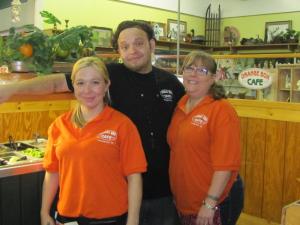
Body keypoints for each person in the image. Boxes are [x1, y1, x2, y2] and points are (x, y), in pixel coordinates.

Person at [0, 21, 243, 225]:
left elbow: (201, 108)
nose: (132, 50)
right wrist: (9, 91)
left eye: (138, 43)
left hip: (166, 194)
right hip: (124, 194)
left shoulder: (171, 83)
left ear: (152, 45)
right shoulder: (108, 75)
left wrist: (210, 198)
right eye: (124, 46)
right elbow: (54, 83)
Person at [40, 56, 147, 225]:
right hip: (67, 218)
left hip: (109, 219)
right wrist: (44, 212)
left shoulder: (123, 125)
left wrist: (133, 220)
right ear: (73, 86)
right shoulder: (59, 125)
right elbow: (52, 172)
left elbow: (134, 177)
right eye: (80, 83)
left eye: (95, 82)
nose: (87, 90)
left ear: (106, 86)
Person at [167, 51, 242, 225]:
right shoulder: (180, 106)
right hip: (184, 204)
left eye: (202, 71)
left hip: (211, 205)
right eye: (189, 68)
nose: (193, 74)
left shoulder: (221, 110)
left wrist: (209, 204)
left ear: (213, 77)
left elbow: (225, 165)